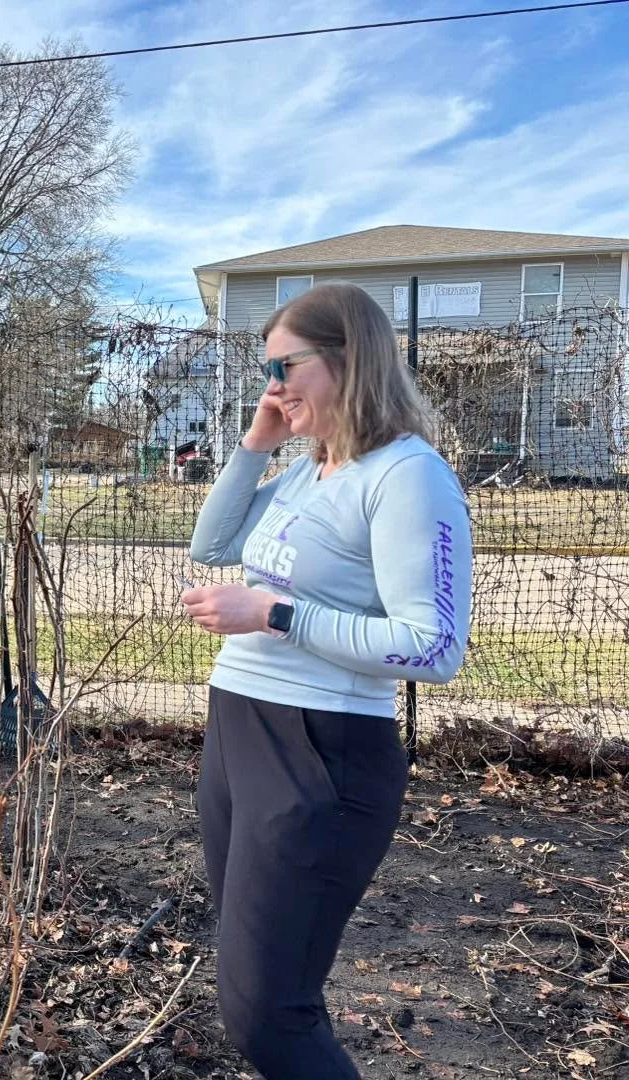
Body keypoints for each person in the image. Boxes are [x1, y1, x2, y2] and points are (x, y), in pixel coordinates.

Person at [181, 282, 472, 1078]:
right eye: (265, 368)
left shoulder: (407, 476)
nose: (271, 384)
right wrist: (254, 445)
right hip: (241, 733)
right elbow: (212, 545)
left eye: (284, 366)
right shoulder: (314, 473)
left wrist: (276, 615)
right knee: (259, 985)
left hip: (320, 753)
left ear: (346, 359)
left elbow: (433, 647)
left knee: (266, 1013)